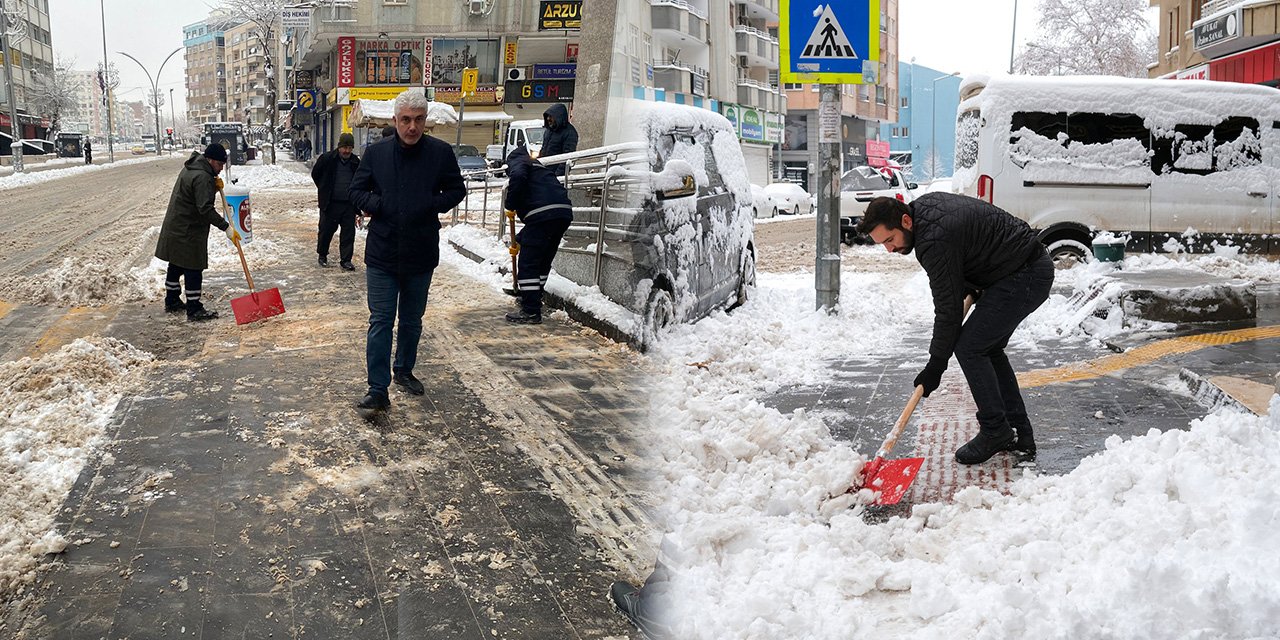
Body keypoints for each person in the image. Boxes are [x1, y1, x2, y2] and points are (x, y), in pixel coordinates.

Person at [856, 193, 1053, 464]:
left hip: (1024, 273)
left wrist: (936, 365)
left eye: (890, 240)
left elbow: (948, 310)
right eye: (883, 244)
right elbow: (965, 254)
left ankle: (996, 430)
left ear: (905, 221)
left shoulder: (933, 240)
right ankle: (1018, 433)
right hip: (1018, 267)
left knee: (971, 347)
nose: (889, 249)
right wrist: (970, 282)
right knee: (987, 347)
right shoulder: (925, 211)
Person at [349, 90, 466, 414]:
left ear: (424, 120)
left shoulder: (440, 153)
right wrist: (379, 206)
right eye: (406, 120)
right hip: (383, 253)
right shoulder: (376, 153)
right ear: (395, 120)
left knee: (412, 320)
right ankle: (377, 389)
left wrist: (432, 204)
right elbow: (356, 190)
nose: (412, 126)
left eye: (418, 119)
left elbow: (457, 189)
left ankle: (403, 370)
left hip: (420, 251)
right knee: (381, 320)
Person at [155, 143, 240, 322]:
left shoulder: (193, 168)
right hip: (189, 228)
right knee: (193, 266)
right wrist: (226, 227)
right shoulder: (202, 177)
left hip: (178, 225)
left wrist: (214, 187)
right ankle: (194, 308)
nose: (221, 169)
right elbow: (205, 209)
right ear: (210, 160)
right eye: (219, 165)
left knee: (176, 263)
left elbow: (196, 197)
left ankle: (172, 300)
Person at [503, 144, 573, 324]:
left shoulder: (519, 162)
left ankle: (531, 311)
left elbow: (518, 177)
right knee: (542, 261)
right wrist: (519, 239)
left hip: (542, 214)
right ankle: (532, 297)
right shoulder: (539, 168)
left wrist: (510, 204)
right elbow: (540, 220)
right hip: (561, 213)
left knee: (528, 263)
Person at [310, 132, 361, 271]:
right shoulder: (327, 159)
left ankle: (346, 260)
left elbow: (361, 180)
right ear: (339, 147)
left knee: (348, 233)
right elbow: (316, 174)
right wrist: (323, 188)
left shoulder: (356, 162)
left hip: (349, 205)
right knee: (326, 231)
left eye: (350, 148)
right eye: (344, 147)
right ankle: (322, 255)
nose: (347, 151)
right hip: (330, 203)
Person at [539, 103, 578, 176]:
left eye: (551, 116)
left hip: (554, 176)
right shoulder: (549, 131)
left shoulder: (570, 133)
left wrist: (556, 176)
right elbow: (543, 150)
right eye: (547, 116)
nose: (548, 119)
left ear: (558, 117)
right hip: (543, 172)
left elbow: (568, 157)